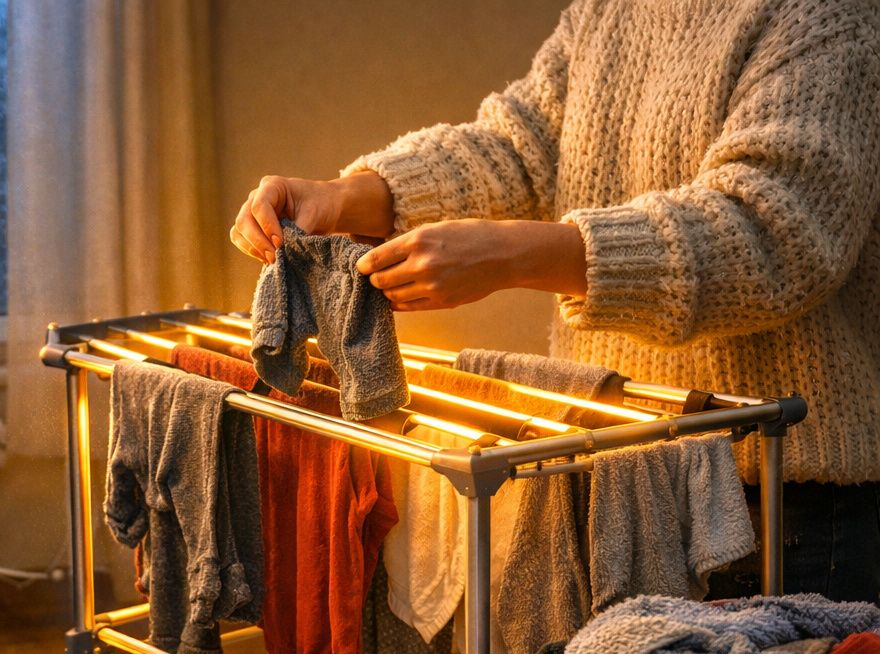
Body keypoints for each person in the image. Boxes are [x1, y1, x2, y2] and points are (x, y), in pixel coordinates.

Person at [230, 0, 880, 602]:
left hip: (785, 499)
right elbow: (522, 144)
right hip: (615, 465)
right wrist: (351, 196)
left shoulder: (828, 14)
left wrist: (511, 255)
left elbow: (773, 234)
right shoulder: (612, 9)